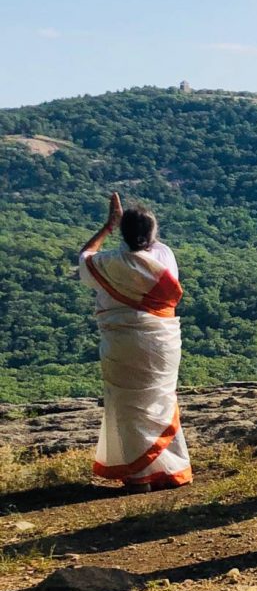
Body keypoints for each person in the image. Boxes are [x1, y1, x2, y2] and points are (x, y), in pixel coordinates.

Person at [79, 192, 192, 492]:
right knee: (161, 400)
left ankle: (139, 477)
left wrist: (107, 227)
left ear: (123, 233)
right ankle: (169, 470)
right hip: (161, 340)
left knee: (129, 407)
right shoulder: (164, 259)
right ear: (153, 235)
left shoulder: (108, 262)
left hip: (120, 342)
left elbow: (84, 258)